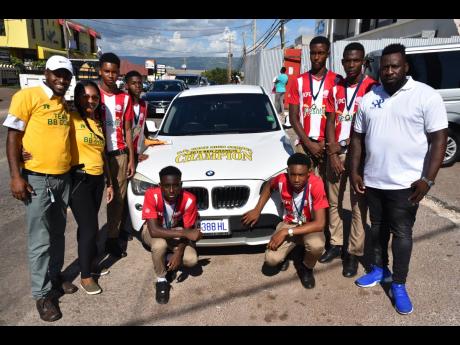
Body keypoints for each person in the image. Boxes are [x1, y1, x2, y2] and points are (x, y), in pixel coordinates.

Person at [350, 44, 448, 315]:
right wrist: (356, 171)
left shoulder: (425, 96)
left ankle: (399, 284)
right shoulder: (369, 98)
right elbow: (357, 139)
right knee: (377, 229)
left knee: (402, 234)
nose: (390, 71)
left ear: (405, 67)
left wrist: (428, 179)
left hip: (406, 185)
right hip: (373, 181)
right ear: (379, 69)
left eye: (395, 66)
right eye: (385, 67)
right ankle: (380, 270)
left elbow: (439, 139)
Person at [3, 55, 77, 322]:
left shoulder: (62, 103)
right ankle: (42, 294)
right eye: (57, 74)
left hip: (62, 179)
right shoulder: (27, 96)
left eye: (66, 75)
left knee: (58, 234)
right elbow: (13, 137)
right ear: (46, 73)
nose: (62, 79)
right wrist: (15, 176)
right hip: (36, 179)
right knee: (40, 240)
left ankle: (55, 278)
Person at [320, 42, 378, 276]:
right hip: (336, 154)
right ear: (342, 62)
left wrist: (345, 148)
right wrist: (333, 152)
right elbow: (331, 121)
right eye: (347, 60)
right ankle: (336, 243)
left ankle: (353, 253)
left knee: (357, 206)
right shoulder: (336, 87)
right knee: (333, 202)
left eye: (356, 60)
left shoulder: (373, 88)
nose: (351, 65)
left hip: (360, 156)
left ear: (363, 62)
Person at [242, 153, 329, 289]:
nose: (296, 179)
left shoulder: (316, 184)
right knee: (271, 260)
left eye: (301, 175)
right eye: (292, 174)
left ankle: (306, 267)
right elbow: (269, 186)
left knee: (316, 245)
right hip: (289, 222)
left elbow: (320, 223)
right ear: (287, 171)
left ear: (309, 173)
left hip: (309, 225)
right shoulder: (281, 180)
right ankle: (292, 250)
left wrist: (285, 232)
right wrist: (257, 210)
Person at [69, 81, 115, 294]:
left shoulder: (95, 122)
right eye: (86, 96)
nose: (91, 101)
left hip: (97, 181)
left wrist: (109, 182)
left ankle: (88, 263)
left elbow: (102, 154)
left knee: (87, 229)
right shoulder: (71, 118)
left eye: (95, 97)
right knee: (90, 229)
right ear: (78, 97)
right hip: (80, 181)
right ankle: (86, 277)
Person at [141, 166, 202, 304]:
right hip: (153, 231)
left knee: (192, 259)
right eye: (167, 186)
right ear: (160, 185)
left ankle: (166, 258)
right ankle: (161, 280)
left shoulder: (189, 199)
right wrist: (184, 232)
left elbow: (188, 230)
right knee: (159, 244)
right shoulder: (152, 194)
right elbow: (154, 231)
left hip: (174, 233)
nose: (172, 190)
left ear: (181, 184)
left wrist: (179, 253)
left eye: (175, 185)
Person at [287, 36, 341, 180]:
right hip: (304, 144)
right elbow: (293, 118)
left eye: (321, 53)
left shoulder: (337, 81)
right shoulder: (298, 81)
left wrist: (326, 143)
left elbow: (339, 116)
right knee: (302, 190)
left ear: (328, 54)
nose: (316, 57)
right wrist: (309, 144)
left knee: (325, 191)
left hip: (327, 145)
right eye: (313, 53)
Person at [98, 52, 135, 258]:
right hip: (97, 156)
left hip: (119, 155)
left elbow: (128, 130)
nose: (111, 75)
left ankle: (112, 239)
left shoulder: (125, 98)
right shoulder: (93, 95)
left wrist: (131, 158)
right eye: (107, 71)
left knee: (118, 200)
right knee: (96, 200)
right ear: (100, 71)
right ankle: (90, 242)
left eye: (114, 72)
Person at [125, 70, 149, 165]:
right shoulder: (124, 103)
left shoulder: (144, 104)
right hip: (125, 155)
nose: (137, 86)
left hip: (138, 154)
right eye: (133, 83)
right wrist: (133, 155)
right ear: (127, 85)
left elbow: (142, 126)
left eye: (139, 83)